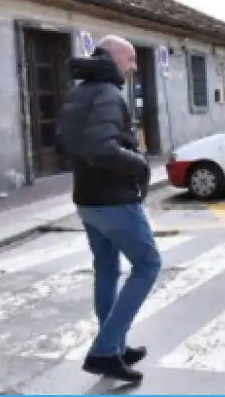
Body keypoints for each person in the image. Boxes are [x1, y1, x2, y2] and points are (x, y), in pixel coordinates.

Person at [55, 35, 161, 383]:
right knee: (147, 265)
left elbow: (64, 143)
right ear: (115, 57)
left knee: (107, 270)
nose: (133, 68)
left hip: (87, 199)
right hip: (113, 199)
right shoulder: (107, 94)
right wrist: (139, 164)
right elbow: (102, 148)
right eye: (130, 60)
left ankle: (114, 345)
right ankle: (104, 350)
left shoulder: (79, 91)